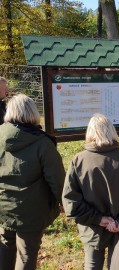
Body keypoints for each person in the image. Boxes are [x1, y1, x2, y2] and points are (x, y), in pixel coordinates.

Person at [62, 113, 119, 270]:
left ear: (89, 133)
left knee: (92, 264)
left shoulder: (78, 161)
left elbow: (70, 203)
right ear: (112, 131)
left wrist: (98, 219)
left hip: (92, 229)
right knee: (118, 265)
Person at [0, 94, 65, 269]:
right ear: (33, 113)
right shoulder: (43, 143)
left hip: (3, 205)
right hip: (32, 210)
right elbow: (57, 179)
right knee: (27, 253)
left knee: (5, 245)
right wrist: (64, 202)